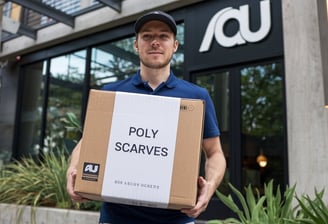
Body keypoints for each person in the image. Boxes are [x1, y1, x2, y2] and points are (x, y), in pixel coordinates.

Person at [66, 10, 226, 224]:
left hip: (176, 219)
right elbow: (87, 142)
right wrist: (72, 172)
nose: (155, 42)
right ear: (136, 44)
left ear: (175, 45)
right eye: (147, 36)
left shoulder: (196, 97)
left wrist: (210, 187)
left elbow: (215, 153)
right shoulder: (111, 94)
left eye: (163, 36)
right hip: (116, 218)